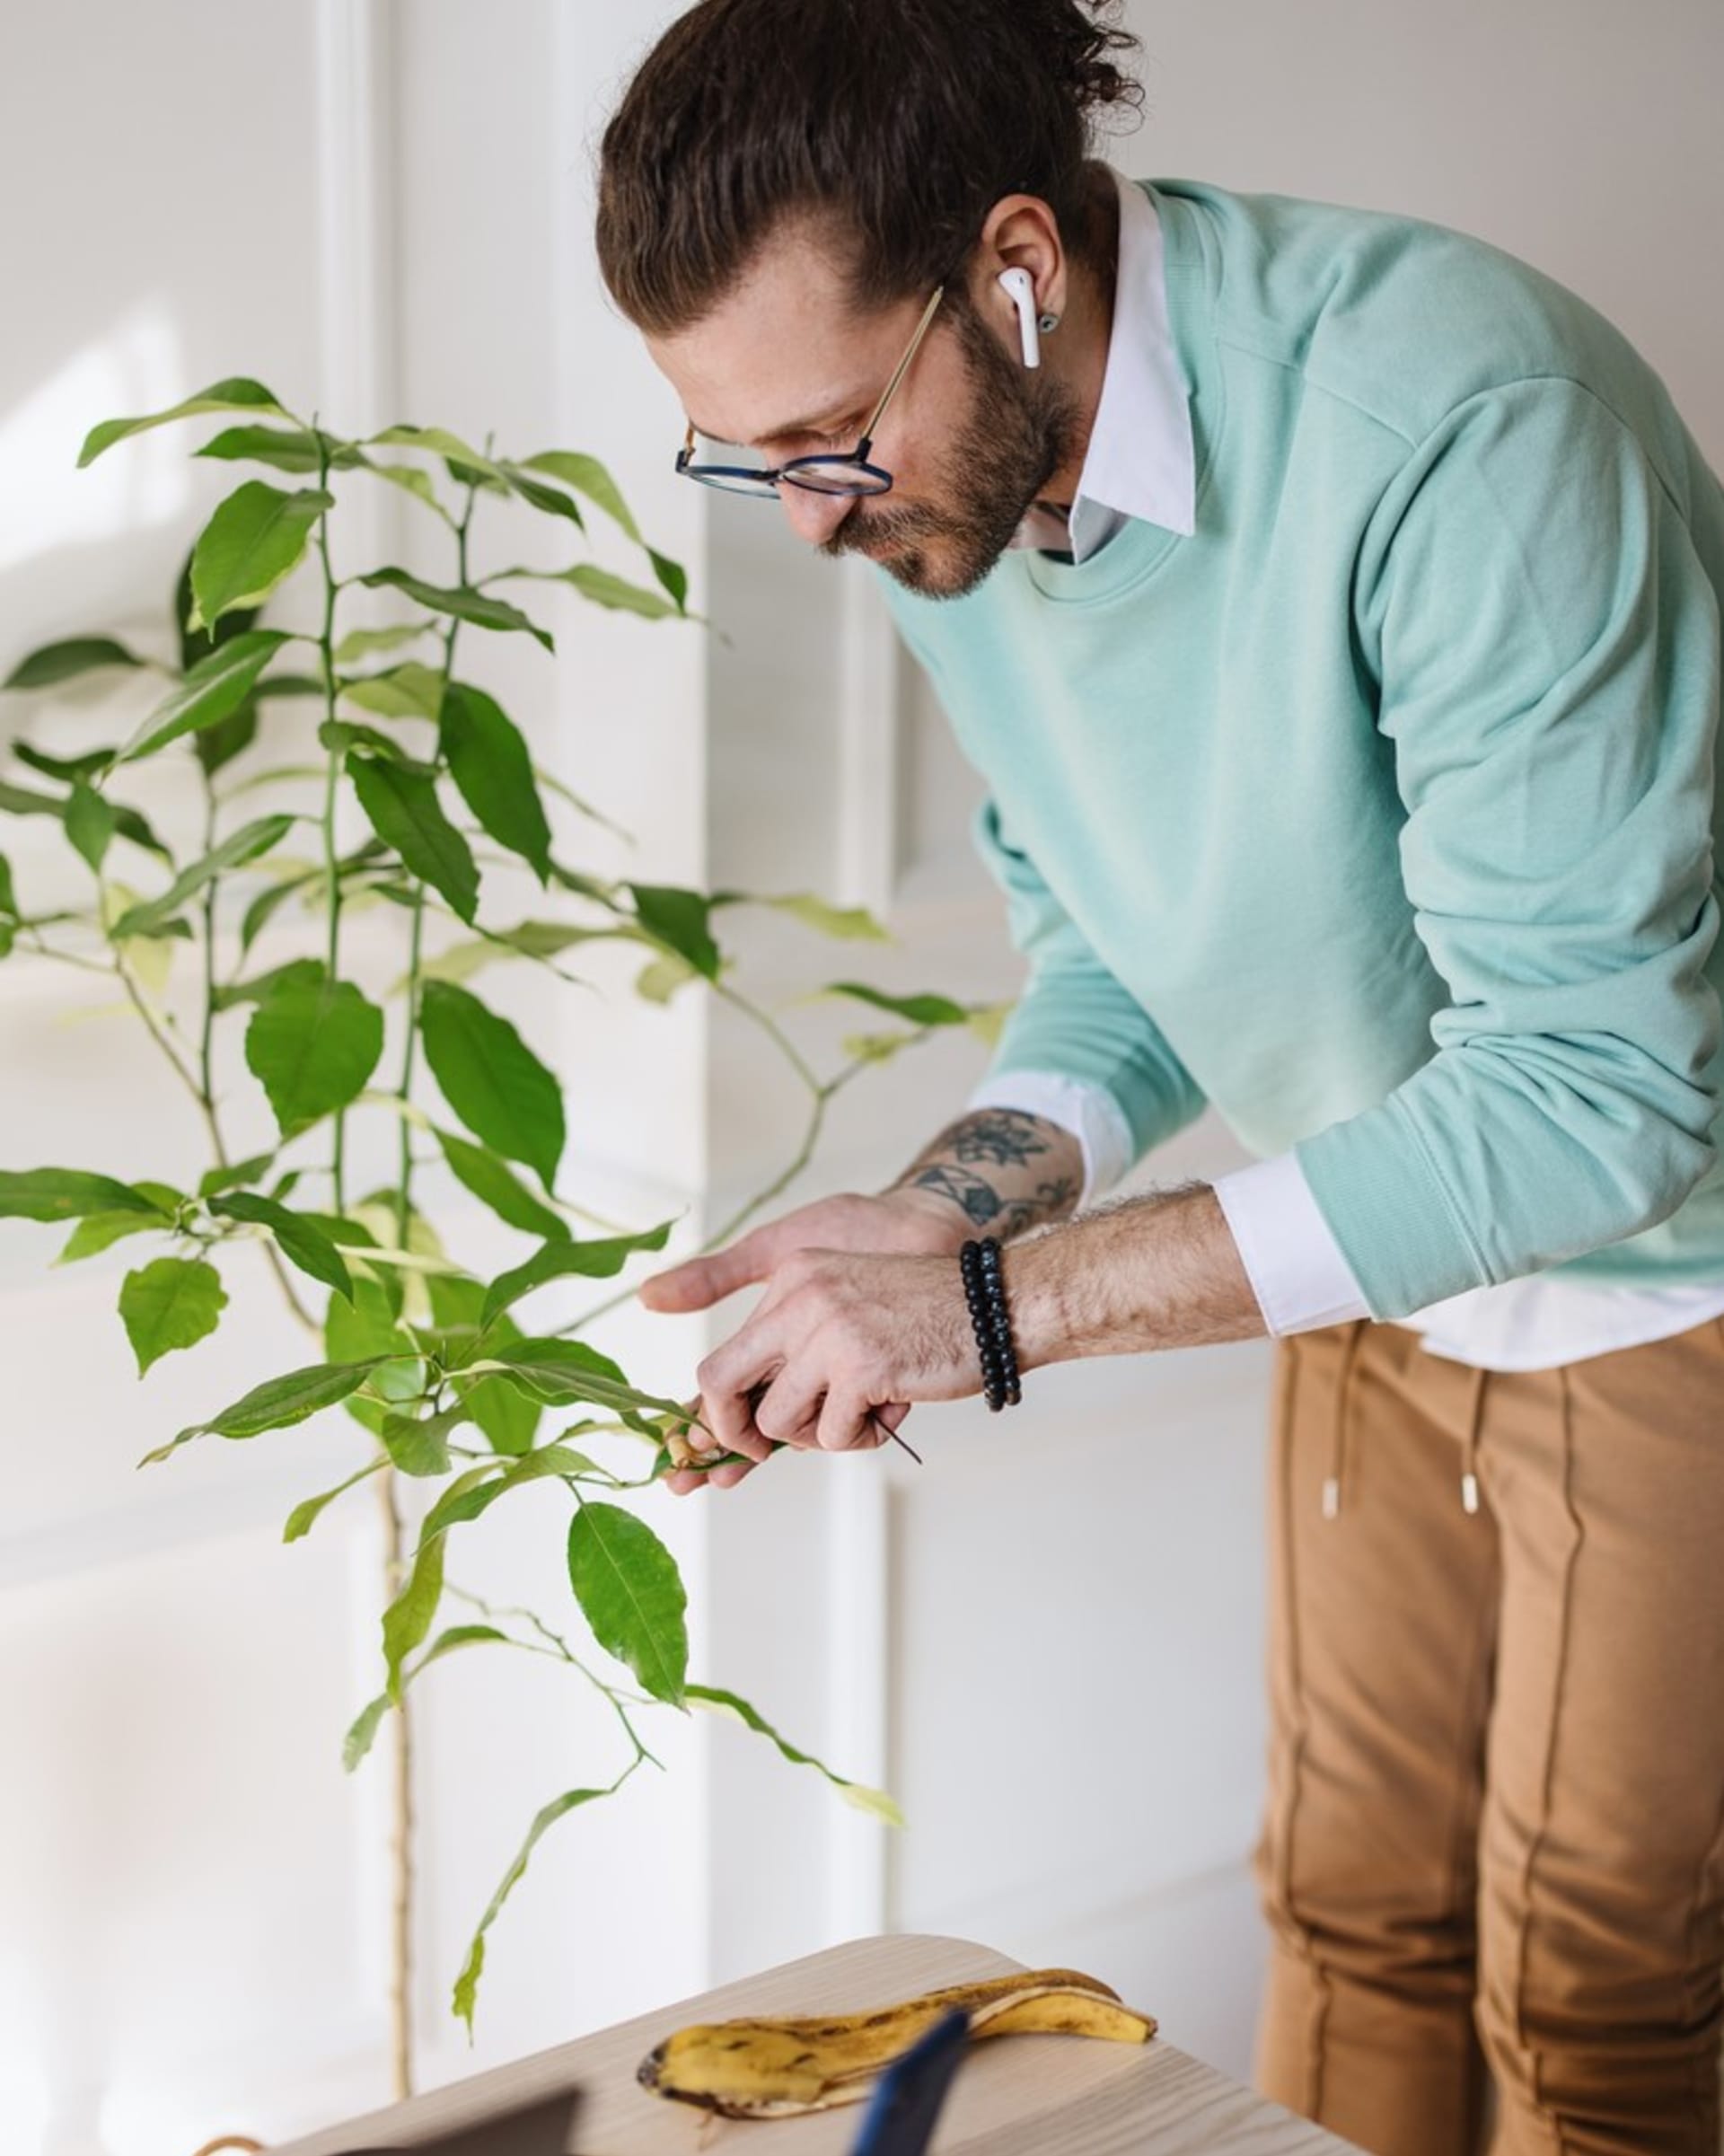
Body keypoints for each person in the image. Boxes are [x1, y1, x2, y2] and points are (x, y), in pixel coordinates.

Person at [594, 3, 1724, 2148]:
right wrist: (949, 1209)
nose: (809, 525)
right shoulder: (953, 490)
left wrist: (1000, 1312)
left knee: (1595, 1988)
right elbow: (1123, 932)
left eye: (828, 436)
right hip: (1372, 1253)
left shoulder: (1464, 421)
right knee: (1354, 1910)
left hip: (1681, 1275)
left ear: (1016, 263)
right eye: (747, 461)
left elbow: (1599, 1091)